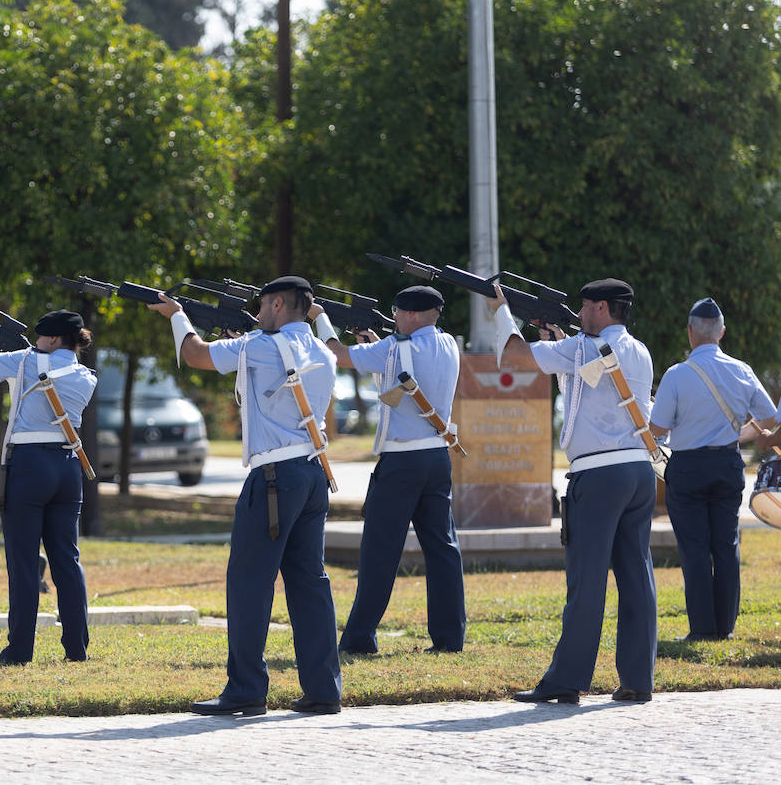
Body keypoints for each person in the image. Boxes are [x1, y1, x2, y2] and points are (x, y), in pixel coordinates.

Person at [149, 276, 342, 716]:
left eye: (261, 306)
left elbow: (194, 354)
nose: (257, 313)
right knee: (310, 583)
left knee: (249, 583)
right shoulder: (322, 351)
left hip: (274, 474)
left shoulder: (261, 345)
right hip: (313, 470)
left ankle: (247, 688)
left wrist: (178, 316)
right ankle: (323, 688)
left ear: (277, 304)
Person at [488, 279, 657, 704]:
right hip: (637, 471)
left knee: (586, 581)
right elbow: (587, 387)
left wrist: (501, 310)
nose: (580, 314)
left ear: (602, 308)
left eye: (585, 307)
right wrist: (559, 341)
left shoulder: (582, 346)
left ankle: (566, 680)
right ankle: (638, 679)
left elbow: (513, 355)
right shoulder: (637, 350)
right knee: (637, 577)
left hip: (598, 477)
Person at [0, 308, 97, 666]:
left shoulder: (26, 361)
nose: (37, 341)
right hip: (67, 464)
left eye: (42, 336)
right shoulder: (86, 376)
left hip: (28, 465)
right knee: (67, 560)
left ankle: (19, 650)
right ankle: (77, 648)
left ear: (54, 338)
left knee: (24, 562)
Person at [319, 286, 465, 655]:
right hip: (437, 455)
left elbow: (337, 354)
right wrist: (378, 342)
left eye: (398, 311)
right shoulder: (448, 344)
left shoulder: (393, 349)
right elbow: (402, 361)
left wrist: (319, 317)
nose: (394, 317)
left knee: (379, 551)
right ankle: (450, 638)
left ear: (413, 315)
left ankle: (359, 637)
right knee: (443, 548)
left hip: (401, 461)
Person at [649, 297, 778, 642]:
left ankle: (702, 628)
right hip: (727, 463)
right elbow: (769, 420)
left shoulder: (677, 375)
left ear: (690, 333)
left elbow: (657, 429)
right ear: (722, 332)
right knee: (726, 544)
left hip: (688, 467)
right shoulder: (742, 371)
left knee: (693, 547)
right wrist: (739, 431)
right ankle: (726, 627)